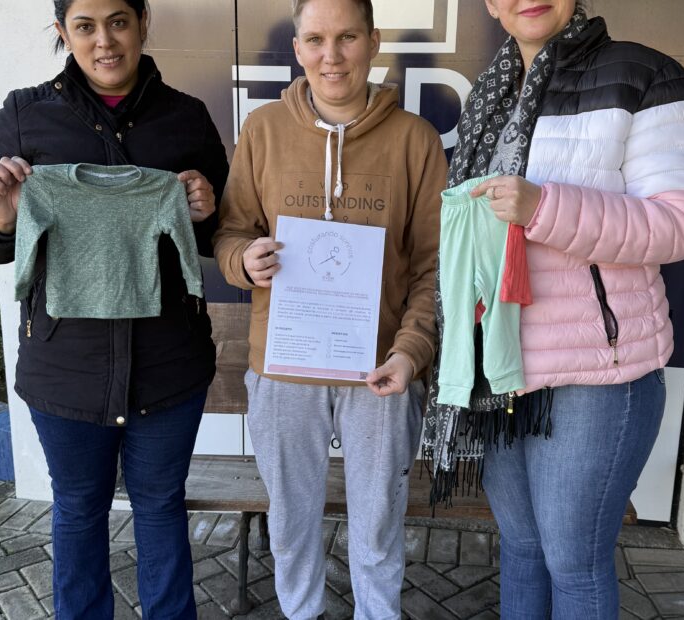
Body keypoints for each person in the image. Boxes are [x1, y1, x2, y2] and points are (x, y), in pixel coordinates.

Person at [426, 1, 684, 617]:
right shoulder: (492, 92)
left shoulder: (644, 76)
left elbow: (679, 225)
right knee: (522, 549)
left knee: (574, 564)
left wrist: (544, 207)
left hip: (595, 375)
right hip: (500, 369)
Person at [0, 0, 228, 617]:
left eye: (118, 21)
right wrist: (4, 218)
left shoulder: (186, 118)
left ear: (142, 22)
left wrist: (206, 213)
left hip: (169, 365)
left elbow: (222, 235)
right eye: (85, 26)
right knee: (79, 510)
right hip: (65, 369)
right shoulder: (25, 117)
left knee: (160, 507)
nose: (104, 41)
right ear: (63, 32)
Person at [213, 0, 446, 617]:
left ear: (373, 40)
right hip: (284, 368)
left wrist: (411, 351)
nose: (331, 56)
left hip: (380, 371)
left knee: (378, 531)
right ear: (297, 49)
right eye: (315, 40)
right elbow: (231, 231)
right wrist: (243, 259)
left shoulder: (415, 141)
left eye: (347, 38)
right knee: (291, 526)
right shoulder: (263, 130)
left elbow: (434, 266)